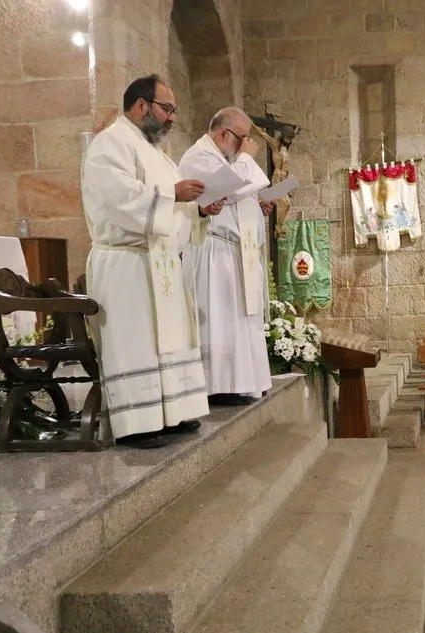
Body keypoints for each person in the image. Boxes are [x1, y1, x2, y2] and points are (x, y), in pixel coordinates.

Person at [81, 74, 225, 449]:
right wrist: (172, 194)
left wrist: (199, 210)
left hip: (158, 262)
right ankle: (137, 423)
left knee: (166, 341)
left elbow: (172, 208)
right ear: (141, 104)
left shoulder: (156, 153)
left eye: (174, 110)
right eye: (167, 109)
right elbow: (119, 198)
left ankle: (170, 412)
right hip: (126, 264)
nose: (172, 117)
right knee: (136, 344)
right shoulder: (110, 143)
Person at [179, 107, 274, 406]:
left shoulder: (225, 160)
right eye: (242, 138)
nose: (246, 144)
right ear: (224, 133)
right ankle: (219, 385)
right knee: (220, 320)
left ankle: (244, 381)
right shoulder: (198, 156)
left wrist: (256, 204)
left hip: (235, 253)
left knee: (240, 320)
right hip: (212, 252)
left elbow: (235, 194)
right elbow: (225, 188)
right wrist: (247, 158)